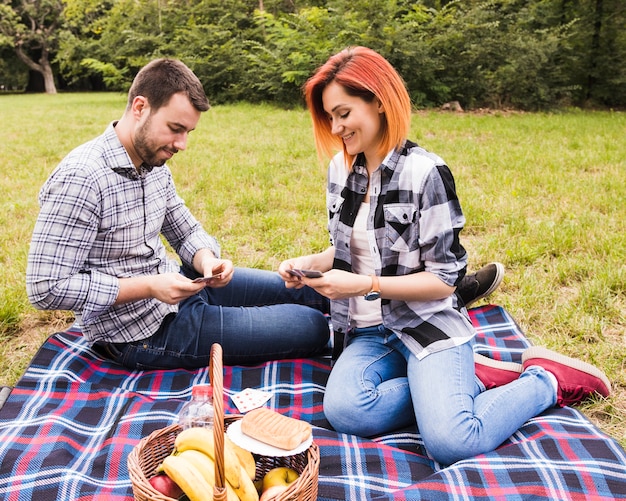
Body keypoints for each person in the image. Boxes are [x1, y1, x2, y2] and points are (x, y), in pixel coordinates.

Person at [25, 58, 501, 372]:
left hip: (186, 290)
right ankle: (445, 301)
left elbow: (181, 225)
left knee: (318, 292)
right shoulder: (82, 177)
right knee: (319, 327)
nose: (182, 144)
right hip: (143, 331)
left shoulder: (151, 161)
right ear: (139, 107)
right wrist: (148, 287)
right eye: (175, 129)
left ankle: (444, 294)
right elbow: (44, 287)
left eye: (188, 132)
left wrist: (207, 259)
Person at [278, 46, 611, 465]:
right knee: (345, 411)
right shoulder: (339, 171)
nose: (337, 127)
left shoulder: (426, 172)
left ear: (378, 100)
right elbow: (352, 248)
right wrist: (312, 263)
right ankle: (459, 383)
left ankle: (543, 380)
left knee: (454, 442)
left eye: (344, 113)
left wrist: (366, 285)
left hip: (427, 324)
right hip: (366, 334)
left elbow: (446, 279)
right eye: (330, 117)